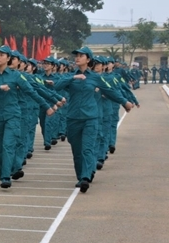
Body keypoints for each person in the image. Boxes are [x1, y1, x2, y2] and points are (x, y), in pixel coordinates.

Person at [52, 47, 133, 193]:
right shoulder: (70, 76)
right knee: (76, 150)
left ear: (88, 59)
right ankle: (81, 175)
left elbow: (110, 91)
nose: (77, 58)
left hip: (90, 118)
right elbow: (57, 87)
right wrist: (72, 78)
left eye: (81, 56)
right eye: (76, 56)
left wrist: (124, 102)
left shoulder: (96, 77)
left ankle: (85, 177)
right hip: (73, 118)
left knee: (87, 148)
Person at [0, 45, 56, 188]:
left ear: (8, 58)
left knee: (8, 145)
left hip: (12, 115)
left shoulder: (15, 76)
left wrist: (46, 106)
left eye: (2, 55)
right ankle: (6, 172)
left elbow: (31, 91)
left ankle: (5, 177)